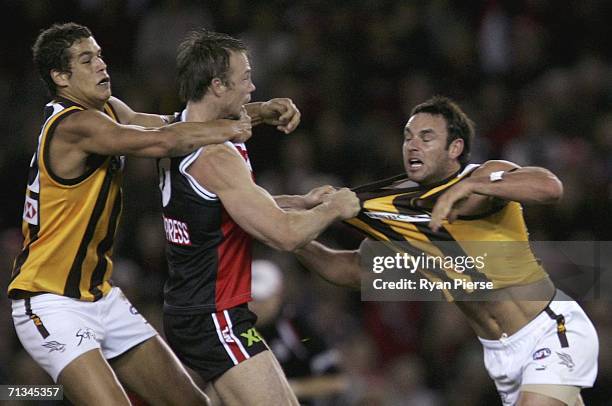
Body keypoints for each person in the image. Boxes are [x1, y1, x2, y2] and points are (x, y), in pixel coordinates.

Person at [7, 22, 282, 406]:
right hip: (52, 303)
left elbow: (173, 124)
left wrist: (259, 112)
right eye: (87, 60)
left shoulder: (107, 110)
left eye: (100, 55)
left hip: (101, 297)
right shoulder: (73, 125)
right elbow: (161, 142)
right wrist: (232, 128)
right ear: (60, 77)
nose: (102, 65)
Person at [295, 96, 599, 406]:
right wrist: (294, 236)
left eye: (426, 137)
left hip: (549, 328)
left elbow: (550, 187)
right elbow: (346, 270)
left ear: (454, 148)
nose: (412, 145)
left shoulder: (482, 177)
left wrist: (473, 187)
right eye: (408, 137)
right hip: (501, 357)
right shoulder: (401, 216)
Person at [158, 29, 360, 406]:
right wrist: (334, 208)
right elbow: (284, 236)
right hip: (214, 315)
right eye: (246, 77)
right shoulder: (218, 157)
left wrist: (300, 202)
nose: (253, 88)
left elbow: (225, 211)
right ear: (217, 85)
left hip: (195, 308)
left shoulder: (176, 131)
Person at [249, 259, 349, 405]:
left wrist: (282, 390)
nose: (254, 305)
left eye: (262, 298)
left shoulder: (297, 328)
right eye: (250, 297)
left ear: (278, 293)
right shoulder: (230, 328)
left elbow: (336, 381)